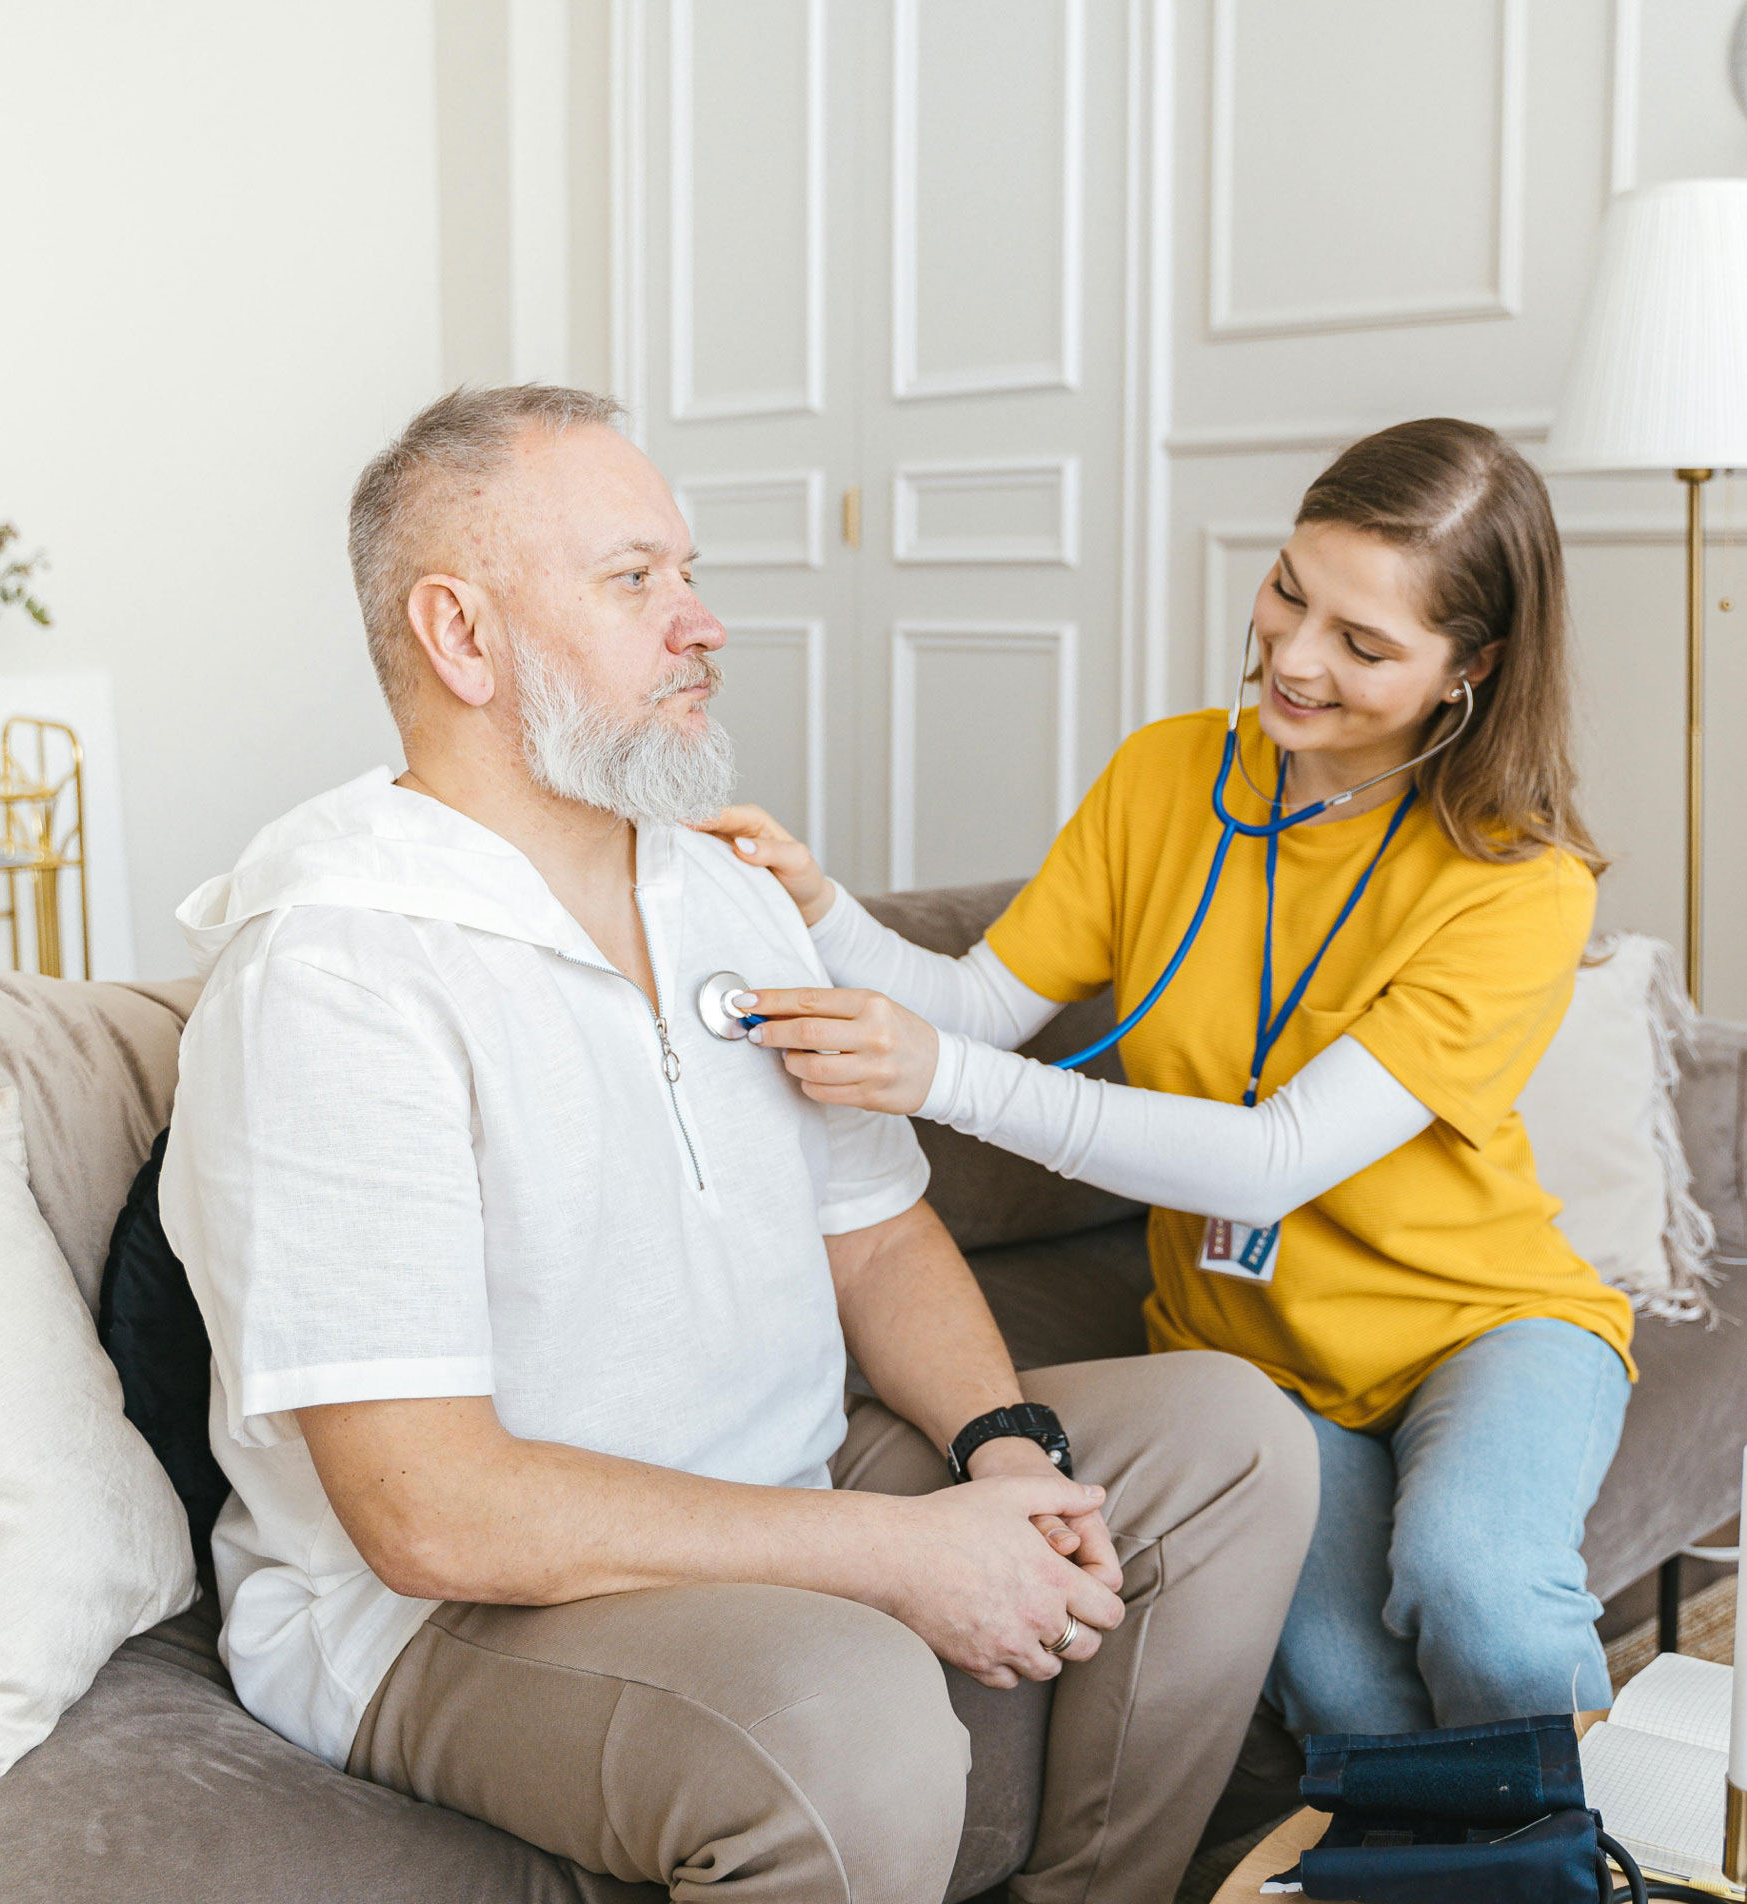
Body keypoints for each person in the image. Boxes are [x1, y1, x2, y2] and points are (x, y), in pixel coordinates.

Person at [159, 383, 1319, 1904]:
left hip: (786, 1469)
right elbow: (429, 1509)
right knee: (845, 1715)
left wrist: (1006, 1451)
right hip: (447, 1613)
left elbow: (876, 1236)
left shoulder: (722, 890)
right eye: (634, 579)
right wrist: (901, 1555)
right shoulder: (337, 971)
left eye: (688, 573)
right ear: (463, 636)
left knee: (1231, 1441)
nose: (702, 623)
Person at [707, 418, 1635, 1740]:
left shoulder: (1518, 885)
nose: (1295, 657)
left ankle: (1572, 1845)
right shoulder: (1168, 774)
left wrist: (944, 1080)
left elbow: (1273, 1160)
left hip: (1480, 1325)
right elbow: (982, 1003)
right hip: (1245, 1356)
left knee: (1477, 1589)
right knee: (1347, 1699)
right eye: (1289, 592)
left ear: (1468, 670)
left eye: (1364, 645)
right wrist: (821, 908)